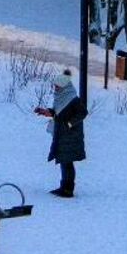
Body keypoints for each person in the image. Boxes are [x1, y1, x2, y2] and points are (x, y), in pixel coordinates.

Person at [40, 70, 86, 198]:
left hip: (71, 136)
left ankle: (68, 189)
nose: (55, 88)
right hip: (62, 134)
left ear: (64, 87)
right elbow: (58, 113)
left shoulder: (73, 100)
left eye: (57, 86)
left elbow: (82, 113)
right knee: (63, 161)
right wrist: (47, 112)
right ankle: (64, 186)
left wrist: (70, 124)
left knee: (67, 161)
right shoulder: (61, 98)